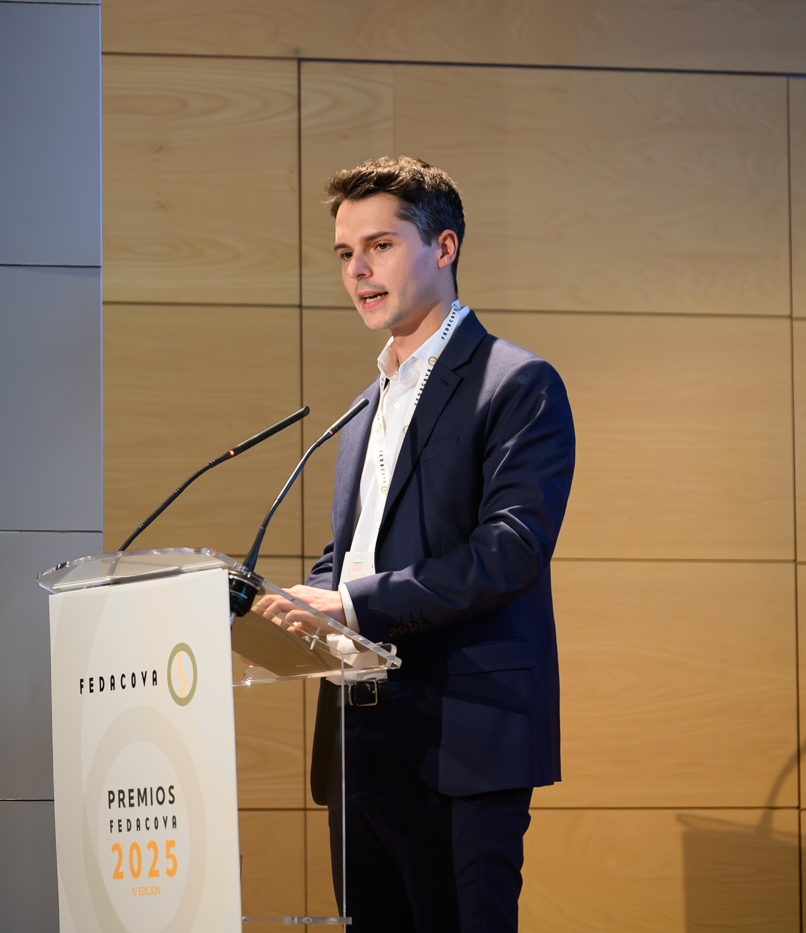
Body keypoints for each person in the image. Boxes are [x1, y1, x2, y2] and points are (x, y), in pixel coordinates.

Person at [254, 156, 576, 933]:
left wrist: (350, 601)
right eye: (345, 253)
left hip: (461, 740)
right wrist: (298, 602)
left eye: (380, 245)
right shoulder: (363, 409)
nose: (357, 270)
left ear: (445, 247)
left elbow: (510, 550)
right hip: (357, 742)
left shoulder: (515, 383)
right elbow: (353, 552)